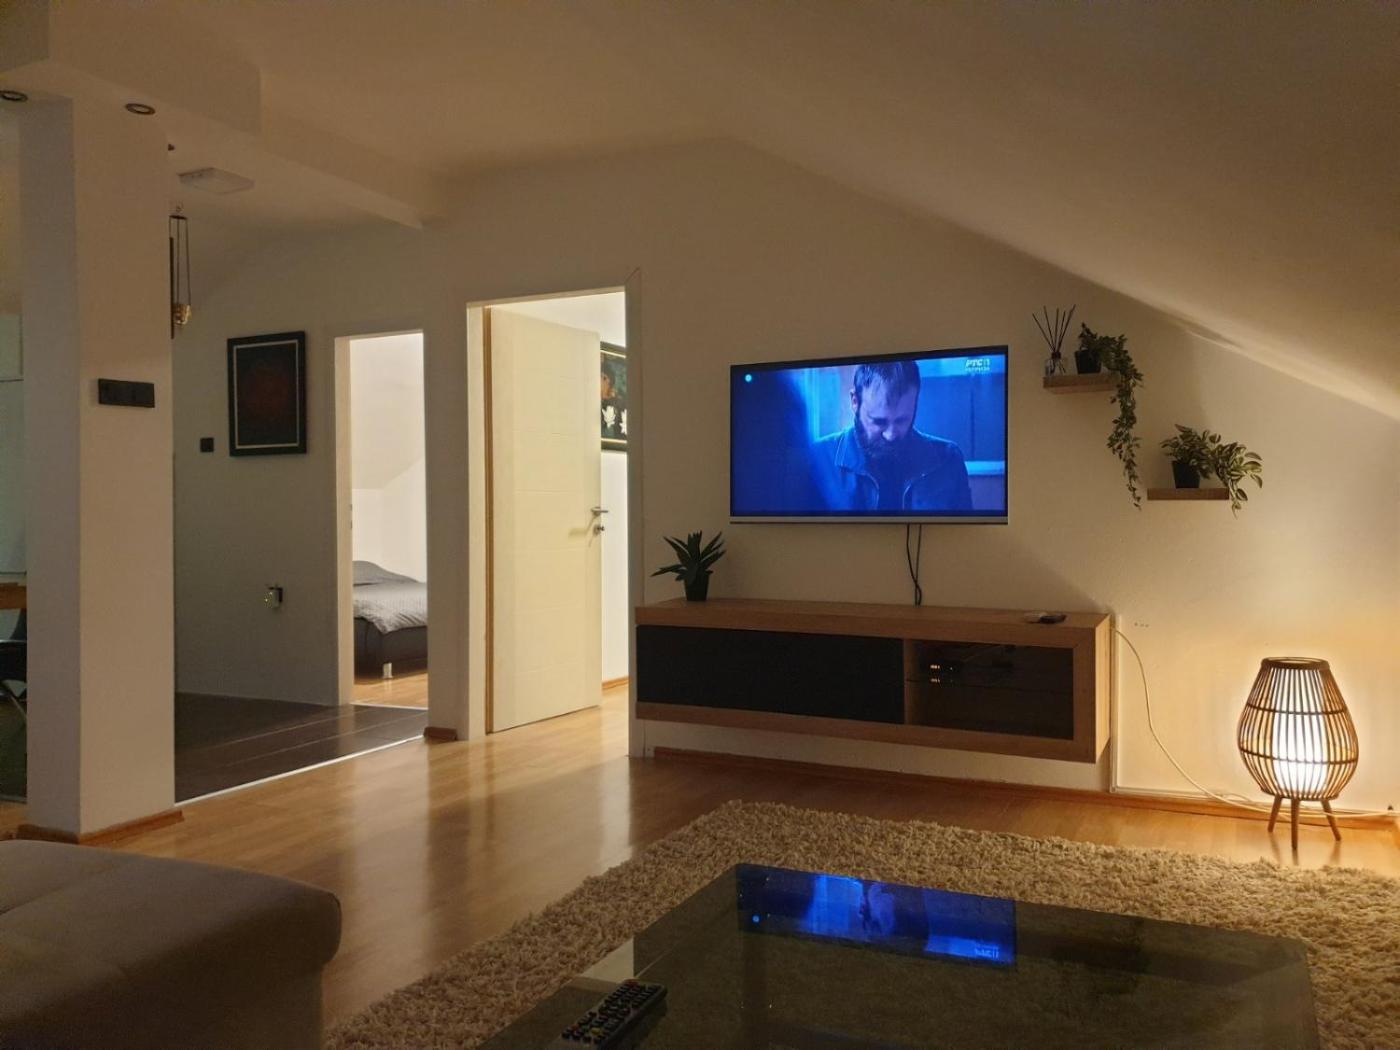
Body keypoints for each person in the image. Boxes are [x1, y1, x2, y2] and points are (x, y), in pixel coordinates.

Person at [809, 360, 972, 513]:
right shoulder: (817, 458)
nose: (890, 435)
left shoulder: (948, 459)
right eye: (879, 421)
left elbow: (962, 532)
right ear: (854, 401)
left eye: (902, 420)